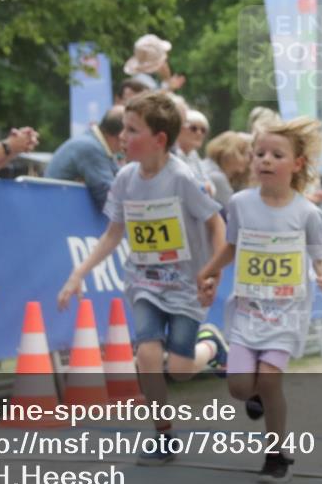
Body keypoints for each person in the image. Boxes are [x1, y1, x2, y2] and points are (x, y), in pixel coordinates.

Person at [57, 93, 227, 464]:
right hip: (145, 282)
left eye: (132, 130)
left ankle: (212, 347)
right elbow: (113, 234)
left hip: (185, 286)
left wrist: (212, 271)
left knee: (180, 371)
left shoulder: (181, 178)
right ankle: (163, 437)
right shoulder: (124, 179)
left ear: (159, 140)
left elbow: (216, 223)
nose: (121, 136)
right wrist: (78, 273)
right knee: (147, 354)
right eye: (122, 128)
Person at [197, 117, 322, 483]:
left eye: (277, 154)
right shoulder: (241, 204)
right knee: (240, 388)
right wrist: (210, 271)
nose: (266, 160)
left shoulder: (307, 212)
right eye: (259, 153)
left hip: (287, 313)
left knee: (271, 381)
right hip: (248, 311)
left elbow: (321, 253)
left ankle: (276, 455)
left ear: (297, 164)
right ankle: (233, 364)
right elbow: (231, 246)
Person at [44, 106, 124, 210]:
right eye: (131, 131)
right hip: (59, 211)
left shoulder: (95, 143)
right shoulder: (91, 148)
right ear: (120, 135)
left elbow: (119, 180)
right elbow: (108, 197)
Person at [202, 131, 253, 208]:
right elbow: (234, 212)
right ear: (228, 153)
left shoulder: (206, 166)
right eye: (243, 153)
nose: (248, 159)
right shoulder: (217, 177)